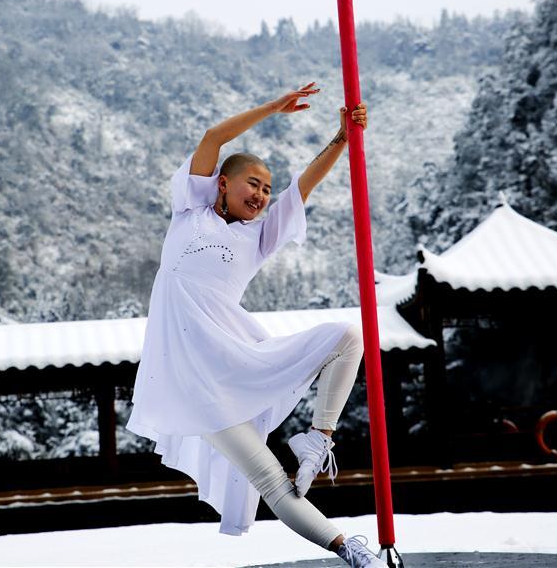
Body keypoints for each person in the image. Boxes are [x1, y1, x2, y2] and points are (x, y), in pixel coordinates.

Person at [125, 82, 388, 567]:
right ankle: (345, 546)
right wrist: (273, 107)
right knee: (269, 481)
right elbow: (211, 138)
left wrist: (342, 137)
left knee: (349, 337)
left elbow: (304, 184)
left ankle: (321, 447)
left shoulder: (260, 236)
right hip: (195, 381)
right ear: (222, 183)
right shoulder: (189, 210)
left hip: (237, 358)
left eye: (268, 189)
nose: (263, 194)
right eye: (254, 184)